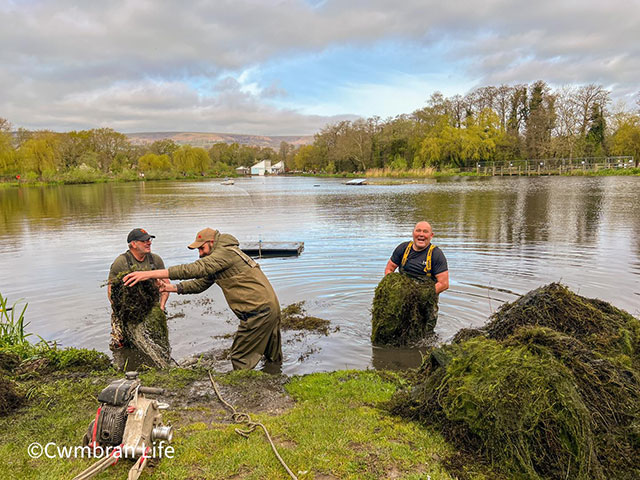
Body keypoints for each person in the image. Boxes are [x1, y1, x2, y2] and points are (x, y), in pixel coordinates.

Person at [122, 228, 282, 371]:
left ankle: (245, 395)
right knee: (272, 356)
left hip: (258, 312)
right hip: (269, 308)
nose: (200, 253)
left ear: (211, 242)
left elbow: (193, 269)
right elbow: (200, 283)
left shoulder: (225, 253)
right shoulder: (223, 257)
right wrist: (170, 288)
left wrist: (148, 274)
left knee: (240, 357)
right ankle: (277, 381)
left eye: (201, 248)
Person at [107, 228, 170, 350]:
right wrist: (122, 312)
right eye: (144, 240)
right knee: (121, 347)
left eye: (149, 239)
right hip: (127, 312)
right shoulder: (121, 262)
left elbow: (166, 286)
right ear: (133, 244)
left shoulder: (155, 260)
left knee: (158, 343)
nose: (149, 242)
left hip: (151, 308)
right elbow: (111, 292)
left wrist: (161, 307)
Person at [385, 221, 449, 295]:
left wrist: (420, 296)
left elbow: (444, 284)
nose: (421, 234)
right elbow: (389, 269)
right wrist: (393, 285)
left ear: (431, 235)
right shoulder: (403, 248)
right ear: (413, 233)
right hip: (402, 294)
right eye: (418, 231)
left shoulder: (436, 254)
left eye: (425, 232)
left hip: (425, 299)